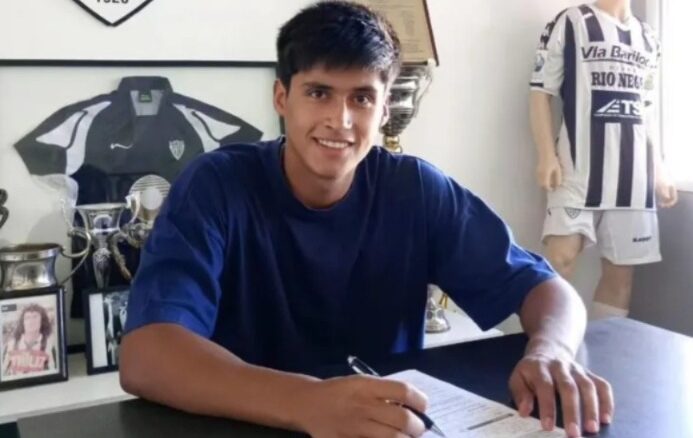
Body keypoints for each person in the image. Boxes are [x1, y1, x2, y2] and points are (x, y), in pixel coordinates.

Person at [120, 2, 613, 437]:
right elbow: (147, 354)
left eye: (361, 98)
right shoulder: (215, 186)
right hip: (246, 423)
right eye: (318, 93)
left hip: (381, 425)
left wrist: (550, 352)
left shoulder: (415, 189)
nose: (340, 120)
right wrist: (308, 401)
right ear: (281, 98)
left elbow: (546, 290)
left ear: (384, 108)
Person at [529, 0, 677, 321]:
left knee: (620, 274)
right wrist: (546, 155)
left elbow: (647, 110)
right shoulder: (571, 22)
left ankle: (604, 349)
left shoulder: (649, 38)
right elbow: (540, 92)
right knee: (560, 260)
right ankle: (547, 345)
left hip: (634, 177)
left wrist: (659, 170)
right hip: (576, 169)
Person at [2, 303, 57, 377]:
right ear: (23, 322)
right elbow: (3, 372)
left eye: (35, 317)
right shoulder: (11, 345)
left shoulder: (49, 345)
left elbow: (53, 373)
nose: (31, 321)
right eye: (27, 318)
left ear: (42, 321)